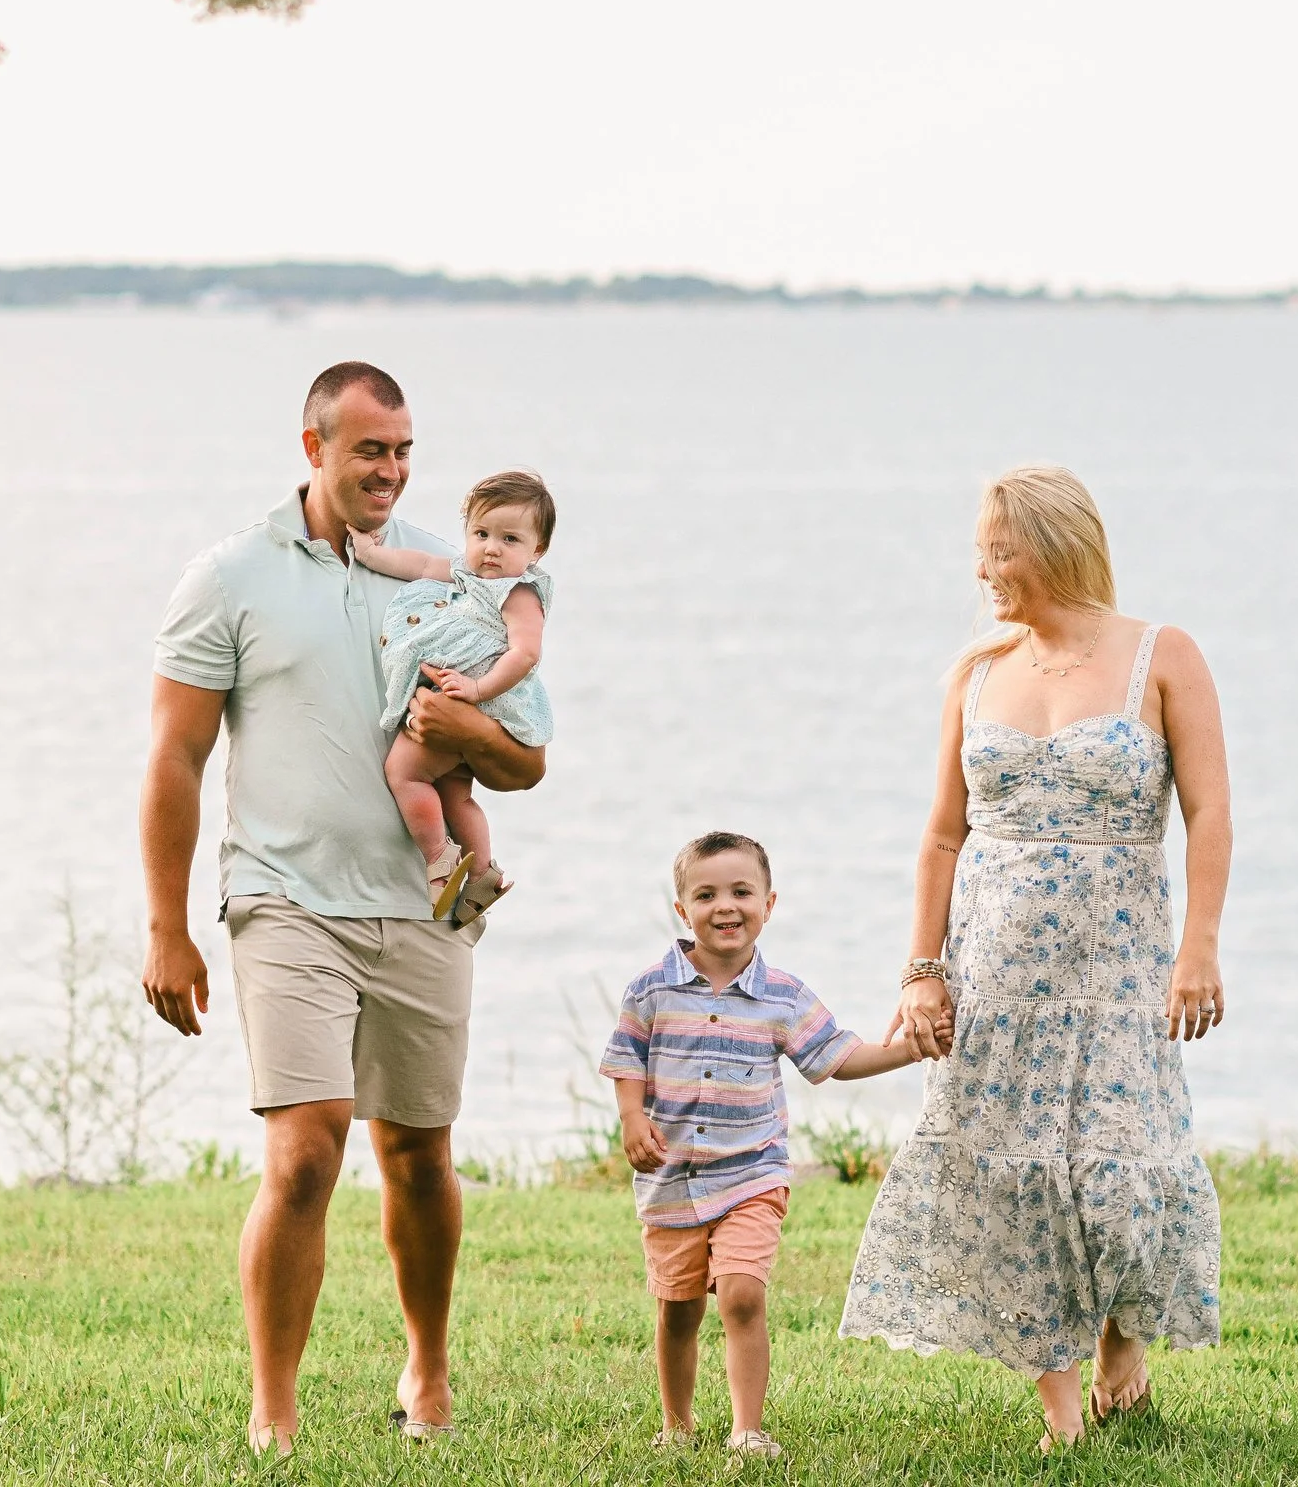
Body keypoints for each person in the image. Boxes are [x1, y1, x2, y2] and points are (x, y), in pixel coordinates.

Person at [138, 362, 547, 1456]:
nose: (392, 469)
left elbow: (525, 763)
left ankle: (427, 1365)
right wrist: (168, 923)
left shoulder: (451, 579)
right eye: (371, 448)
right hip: (282, 898)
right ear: (312, 445)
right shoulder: (229, 576)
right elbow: (176, 758)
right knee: (307, 1149)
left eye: (405, 448)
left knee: (419, 1148)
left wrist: (465, 734)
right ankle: (275, 1403)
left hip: (422, 904)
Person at [837, 464, 1231, 1453]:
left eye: (996, 548)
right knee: (1014, 1188)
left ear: (1050, 545)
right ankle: (1060, 1411)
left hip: (1119, 967)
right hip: (997, 968)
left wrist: (1200, 946)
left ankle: (1119, 1344)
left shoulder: (1161, 653)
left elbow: (1209, 813)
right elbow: (939, 836)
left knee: (1117, 1178)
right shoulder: (975, 672)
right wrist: (921, 967)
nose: (982, 567)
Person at [599, 831, 932, 1460]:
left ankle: (748, 1431)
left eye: (740, 892)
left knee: (743, 1292)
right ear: (682, 910)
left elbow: (837, 1056)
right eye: (706, 895)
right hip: (672, 1178)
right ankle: (676, 1424)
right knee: (677, 1309)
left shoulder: (782, 994)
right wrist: (630, 1117)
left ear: (768, 904)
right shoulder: (650, 989)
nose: (725, 907)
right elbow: (626, 1058)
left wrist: (907, 1050)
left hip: (753, 1173)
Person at [352, 468, 557, 919]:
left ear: (536, 550)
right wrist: (370, 555)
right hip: (465, 697)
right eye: (481, 533)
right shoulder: (468, 573)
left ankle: (439, 859)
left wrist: (477, 688)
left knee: (405, 775)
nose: (491, 548)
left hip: (477, 697)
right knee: (456, 794)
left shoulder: (519, 592)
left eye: (510, 539)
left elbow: (525, 655)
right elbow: (421, 566)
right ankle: (483, 871)